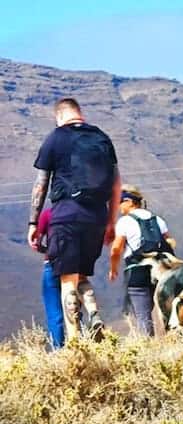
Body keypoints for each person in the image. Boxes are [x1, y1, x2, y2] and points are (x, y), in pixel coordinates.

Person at [27, 98, 121, 341]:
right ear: (81, 114)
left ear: (59, 117)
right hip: (97, 218)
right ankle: (94, 314)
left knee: (68, 281)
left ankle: (75, 344)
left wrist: (33, 222)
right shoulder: (101, 138)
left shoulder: (56, 137)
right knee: (82, 276)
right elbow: (116, 184)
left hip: (66, 216)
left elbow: (41, 184)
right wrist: (111, 222)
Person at [108, 185, 176, 336]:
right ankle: (173, 344)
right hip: (161, 271)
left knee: (143, 315)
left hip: (137, 272)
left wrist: (113, 268)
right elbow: (170, 241)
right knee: (166, 312)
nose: (118, 207)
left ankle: (148, 349)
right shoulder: (158, 219)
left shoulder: (125, 222)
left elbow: (116, 248)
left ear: (129, 201)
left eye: (120, 202)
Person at [32, 207, 65, 349]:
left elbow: (36, 242)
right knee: (74, 308)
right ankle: (80, 347)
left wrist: (47, 250)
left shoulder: (49, 213)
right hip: (77, 265)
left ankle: (59, 352)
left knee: (54, 313)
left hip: (52, 263)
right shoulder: (83, 210)